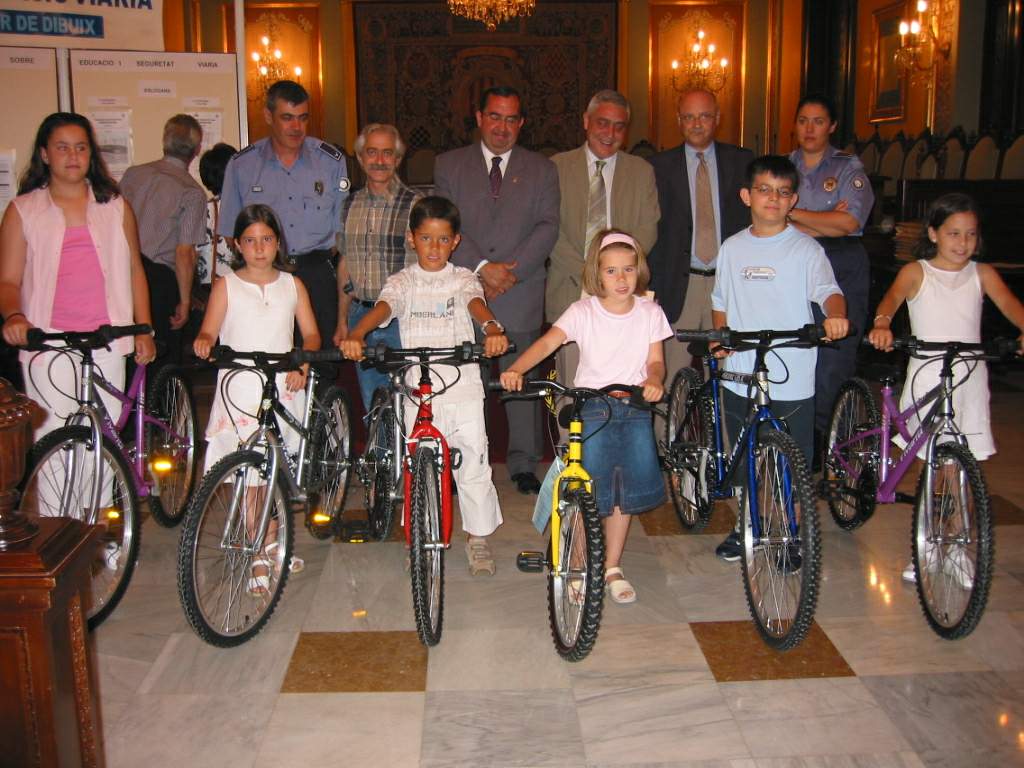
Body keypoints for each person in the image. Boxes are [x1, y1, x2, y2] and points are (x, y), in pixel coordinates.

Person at [340, 196, 510, 576]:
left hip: (462, 387)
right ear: (411, 238)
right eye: (426, 238)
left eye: (443, 239)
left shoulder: (463, 277)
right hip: (417, 388)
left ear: (456, 241)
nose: (434, 247)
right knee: (417, 466)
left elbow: (475, 303)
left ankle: (477, 539)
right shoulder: (402, 281)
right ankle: (417, 536)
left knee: (473, 464)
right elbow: (384, 308)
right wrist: (358, 332)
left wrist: (491, 328)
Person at [502, 230, 670, 603]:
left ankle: (612, 566)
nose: (621, 278)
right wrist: (516, 368)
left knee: (622, 496)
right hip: (592, 409)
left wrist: (654, 379)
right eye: (611, 271)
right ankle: (577, 563)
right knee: (585, 492)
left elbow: (656, 361)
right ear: (597, 273)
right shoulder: (583, 311)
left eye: (628, 269)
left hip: (634, 408)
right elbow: (548, 342)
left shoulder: (650, 312)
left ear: (639, 270)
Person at [866, 193, 1024, 583]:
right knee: (933, 464)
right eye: (954, 233)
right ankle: (927, 545)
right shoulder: (916, 271)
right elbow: (891, 300)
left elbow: (1010, 305)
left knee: (962, 467)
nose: (963, 242)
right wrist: (883, 323)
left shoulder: (982, 273)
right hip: (928, 375)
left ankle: (955, 545)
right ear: (934, 233)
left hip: (969, 377)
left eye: (971, 234)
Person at [710, 155, 848, 561]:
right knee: (744, 457)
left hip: (792, 371)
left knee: (792, 462)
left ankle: (789, 531)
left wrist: (836, 316)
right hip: (741, 370)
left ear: (793, 200)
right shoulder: (732, 248)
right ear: (746, 196)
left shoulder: (805, 249)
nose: (773, 198)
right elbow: (720, 300)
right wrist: (722, 338)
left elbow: (829, 291)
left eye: (783, 192)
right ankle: (748, 523)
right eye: (764, 190)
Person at [434, 85, 559, 496]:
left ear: (521, 123)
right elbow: (445, 223)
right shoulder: (449, 164)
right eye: (494, 117)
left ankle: (523, 465)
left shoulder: (542, 168)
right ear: (479, 117)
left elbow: (548, 226)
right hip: (465, 291)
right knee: (462, 384)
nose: (502, 127)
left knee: (520, 381)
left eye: (510, 119)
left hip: (519, 291)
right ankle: (462, 463)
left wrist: (510, 273)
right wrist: (483, 269)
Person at [0, 112, 155, 439]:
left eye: (81, 147)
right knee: (54, 437)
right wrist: (14, 316)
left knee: (102, 439)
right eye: (63, 147)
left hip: (107, 339)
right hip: (49, 341)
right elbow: (8, 280)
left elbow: (134, 270)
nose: (73, 156)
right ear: (45, 154)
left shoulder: (115, 206)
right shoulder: (23, 210)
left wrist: (144, 329)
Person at [193, 204, 320, 588]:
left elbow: (311, 334)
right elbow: (209, 330)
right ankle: (259, 553)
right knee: (249, 477)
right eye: (250, 240)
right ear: (237, 245)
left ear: (278, 243)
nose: (259, 248)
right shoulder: (226, 286)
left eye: (266, 239)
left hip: (281, 383)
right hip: (240, 387)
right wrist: (204, 341)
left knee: (272, 472)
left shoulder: (292, 285)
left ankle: (271, 542)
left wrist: (302, 364)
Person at [219, 80, 349, 358]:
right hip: (264, 276)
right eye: (287, 118)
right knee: (267, 356)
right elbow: (231, 232)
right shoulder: (243, 165)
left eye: (303, 118)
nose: (296, 127)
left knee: (320, 361)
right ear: (269, 116)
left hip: (316, 274)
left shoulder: (330, 161)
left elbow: (342, 231)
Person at [547, 89, 660, 391]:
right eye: (602, 123)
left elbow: (647, 229)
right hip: (570, 288)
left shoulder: (642, 171)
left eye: (619, 126)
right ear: (586, 121)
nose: (610, 133)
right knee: (572, 390)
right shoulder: (556, 167)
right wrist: (593, 274)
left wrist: (616, 274)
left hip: (624, 295)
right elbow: (550, 229)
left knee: (626, 384)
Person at [787, 94, 874, 460]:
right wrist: (825, 221)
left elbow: (850, 222)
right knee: (796, 357)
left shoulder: (847, 167)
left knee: (834, 363)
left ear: (832, 126)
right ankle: (801, 451)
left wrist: (794, 214)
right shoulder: (783, 166)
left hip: (842, 264)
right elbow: (769, 221)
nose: (809, 129)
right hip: (793, 265)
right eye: (803, 120)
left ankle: (836, 454)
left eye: (818, 121)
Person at [648, 89, 753, 382]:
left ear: (717, 118)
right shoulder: (657, 167)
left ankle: (726, 416)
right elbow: (653, 231)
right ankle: (669, 416)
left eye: (704, 116)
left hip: (728, 283)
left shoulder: (742, 161)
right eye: (689, 117)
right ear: (679, 121)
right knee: (670, 377)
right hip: (679, 285)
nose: (696, 124)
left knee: (728, 375)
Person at [333, 123, 421, 411]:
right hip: (361, 317)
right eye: (372, 152)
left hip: (402, 320)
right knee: (374, 407)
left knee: (409, 406)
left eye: (387, 153)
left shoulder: (416, 205)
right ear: (360, 158)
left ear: (398, 159)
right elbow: (345, 264)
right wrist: (342, 320)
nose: (380, 161)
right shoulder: (349, 205)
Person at [119, 113, 206, 368]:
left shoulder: (133, 174)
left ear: (164, 142)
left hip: (121, 274)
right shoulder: (192, 192)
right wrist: (185, 301)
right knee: (161, 361)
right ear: (196, 150)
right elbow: (184, 253)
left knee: (126, 353)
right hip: (158, 282)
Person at [195, 142, 238, 302]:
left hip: (212, 287)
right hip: (243, 284)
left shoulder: (204, 210)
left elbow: (193, 254)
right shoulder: (249, 208)